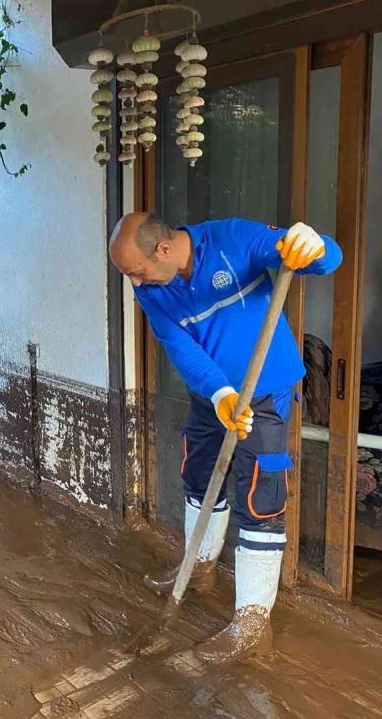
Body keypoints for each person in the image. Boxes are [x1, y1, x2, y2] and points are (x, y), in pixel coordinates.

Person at [109, 213, 342, 661]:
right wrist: (219, 394)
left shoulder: (232, 239)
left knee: (259, 493)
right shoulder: (152, 290)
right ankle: (200, 565)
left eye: (135, 271)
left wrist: (315, 246)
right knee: (198, 472)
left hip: (266, 389)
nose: (134, 283)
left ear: (162, 249)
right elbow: (180, 346)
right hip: (215, 393)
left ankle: (254, 619)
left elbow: (324, 260)